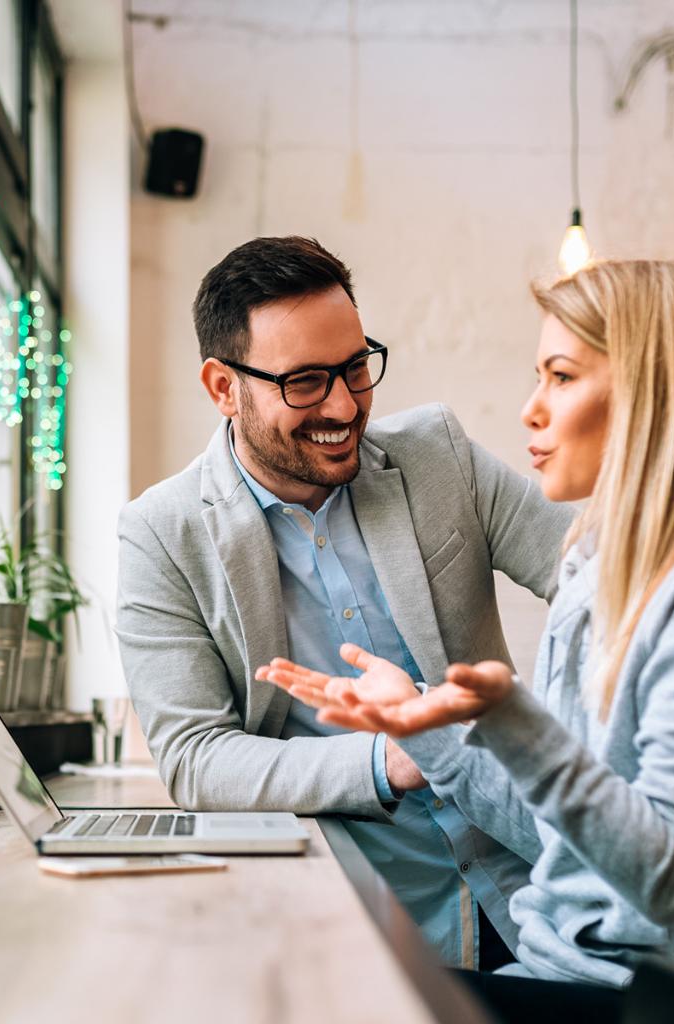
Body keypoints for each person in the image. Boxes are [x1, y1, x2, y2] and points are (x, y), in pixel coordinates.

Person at [261, 258, 674, 1024]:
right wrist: (426, 722)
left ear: (654, 394)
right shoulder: (602, 562)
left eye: (562, 377)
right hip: (579, 980)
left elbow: (670, 876)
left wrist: (518, 724)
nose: (530, 411)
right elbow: (561, 837)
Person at [116, 236, 573, 968]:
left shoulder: (436, 455)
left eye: (356, 367)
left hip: (528, 893)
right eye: (303, 382)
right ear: (223, 387)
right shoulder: (162, 534)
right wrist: (390, 758)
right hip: (348, 919)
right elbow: (197, 759)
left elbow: (600, 579)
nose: (343, 404)